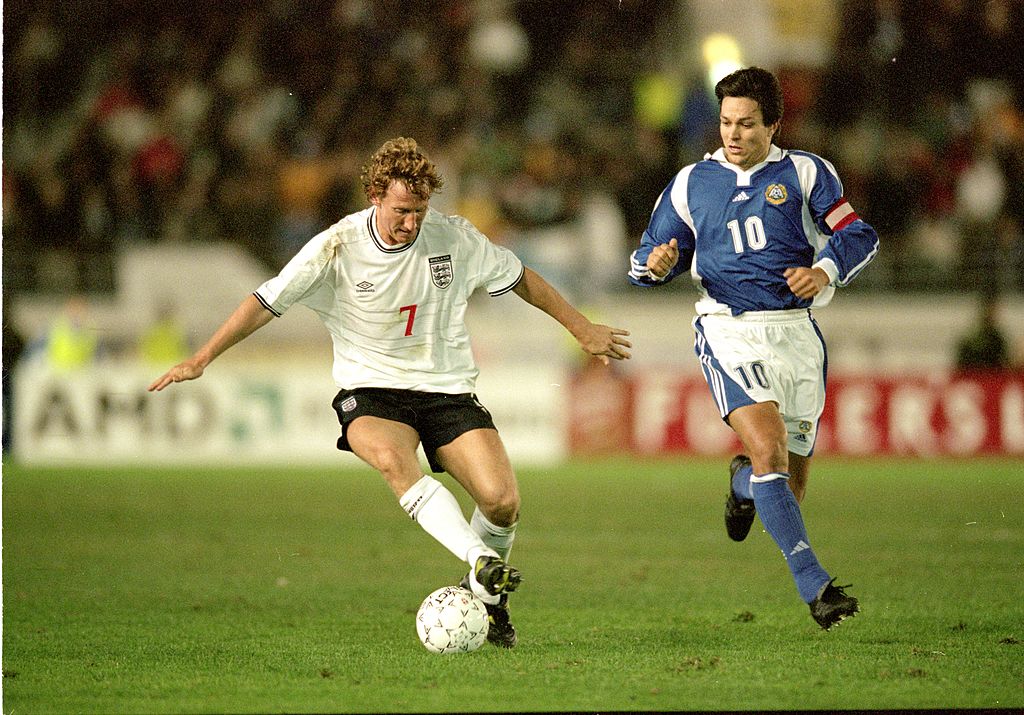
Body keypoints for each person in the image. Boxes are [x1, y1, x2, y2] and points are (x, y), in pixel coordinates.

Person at [149, 137, 632, 648]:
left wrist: (581, 327)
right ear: (375, 196)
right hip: (371, 390)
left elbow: (520, 278)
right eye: (401, 210)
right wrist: (203, 357)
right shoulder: (336, 247)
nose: (411, 222)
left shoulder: (453, 237)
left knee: (502, 503)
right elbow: (265, 301)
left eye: (420, 210)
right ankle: (480, 561)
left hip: (445, 389)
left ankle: (489, 602)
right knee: (392, 460)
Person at [628, 67, 879, 630]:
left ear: (773, 126)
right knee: (769, 449)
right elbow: (646, 256)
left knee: (787, 485)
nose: (733, 134)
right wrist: (656, 264)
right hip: (729, 329)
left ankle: (742, 484)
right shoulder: (691, 183)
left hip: (797, 335)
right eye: (725, 123)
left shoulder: (806, 173)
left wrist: (824, 270)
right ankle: (817, 588)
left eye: (746, 124)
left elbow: (858, 234)